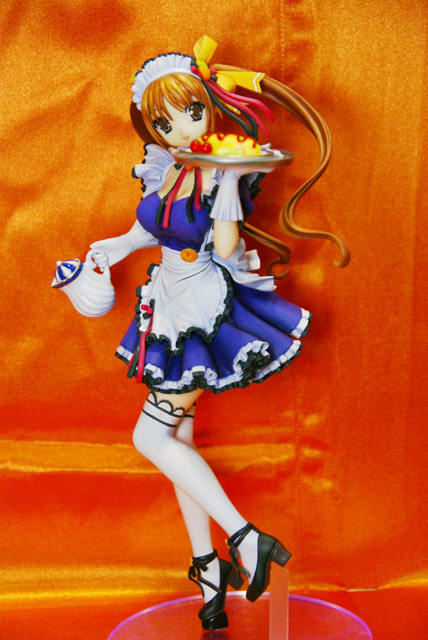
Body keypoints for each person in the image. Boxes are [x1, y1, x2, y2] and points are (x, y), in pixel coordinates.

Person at [89, 35, 349, 630]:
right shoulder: (169, 169)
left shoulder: (216, 171)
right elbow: (150, 229)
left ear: (210, 108)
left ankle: (246, 537)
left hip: (201, 309)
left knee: (150, 438)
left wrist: (230, 183)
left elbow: (226, 246)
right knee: (177, 436)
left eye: (191, 112)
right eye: (164, 123)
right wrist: (109, 249)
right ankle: (209, 567)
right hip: (167, 298)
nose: (180, 129)